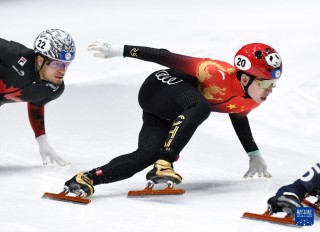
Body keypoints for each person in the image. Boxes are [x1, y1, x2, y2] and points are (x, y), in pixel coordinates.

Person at [64, 41, 282, 197]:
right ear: (245, 77)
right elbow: (166, 56)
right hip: (160, 86)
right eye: (264, 83)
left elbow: (238, 115)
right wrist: (122, 51)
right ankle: (165, 162)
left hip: (170, 111)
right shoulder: (213, 71)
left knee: (145, 155)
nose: (269, 90)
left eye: (273, 84)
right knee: (200, 106)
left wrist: (253, 153)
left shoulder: (251, 99)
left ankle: (87, 178)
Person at [0, 29, 76, 166]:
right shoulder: (13, 53)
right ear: (40, 60)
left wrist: (42, 140)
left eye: (66, 64)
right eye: (57, 64)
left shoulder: (54, 89)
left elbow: (36, 105)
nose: (62, 70)